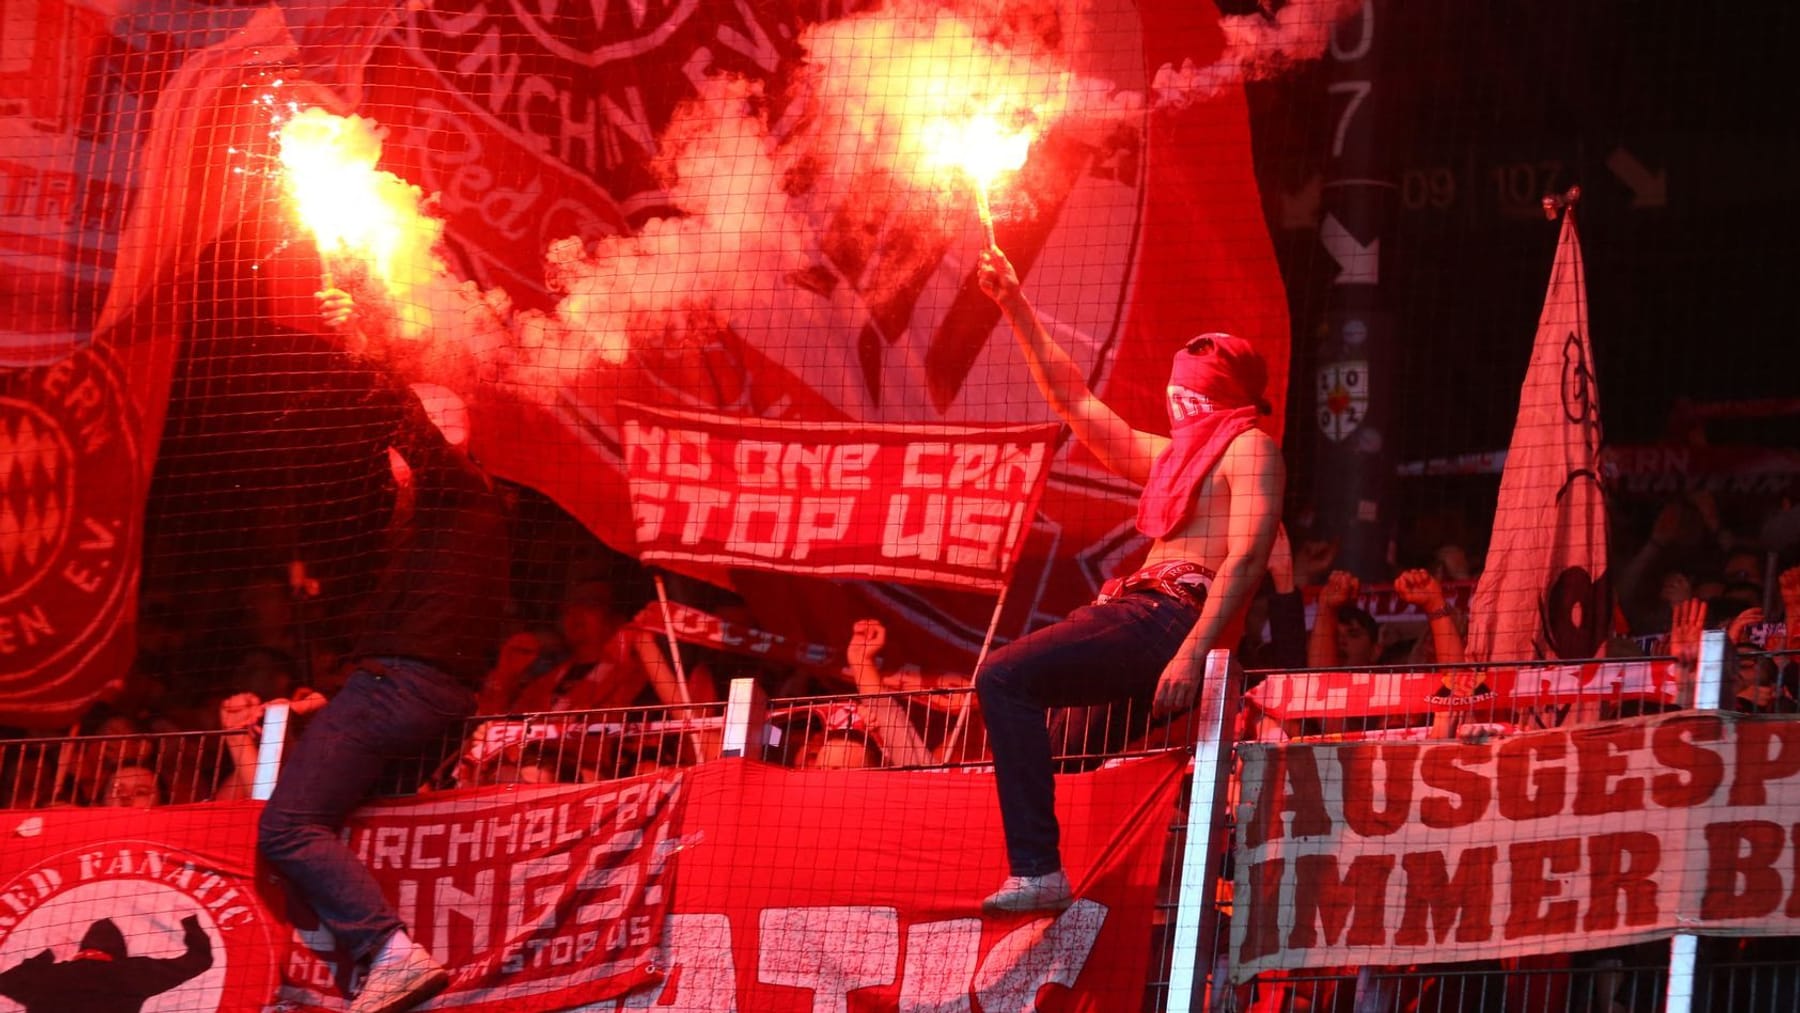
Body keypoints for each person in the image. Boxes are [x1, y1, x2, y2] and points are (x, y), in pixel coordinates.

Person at [971, 247, 1283, 913]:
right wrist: (1014, 306)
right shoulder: (1174, 457)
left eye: (1188, 388)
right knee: (1056, 754)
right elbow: (1074, 401)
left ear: (1217, 391)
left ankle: (1038, 871)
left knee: (1002, 676)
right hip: (1150, 619)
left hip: (1171, 617)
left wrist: (1193, 650)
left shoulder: (1251, 447)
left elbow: (1248, 555)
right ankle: (1064, 887)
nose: (1175, 400)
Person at [256, 289, 511, 1013]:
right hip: (405, 692)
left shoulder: (458, 493)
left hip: (397, 691)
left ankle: (388, 952)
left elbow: (409, 416)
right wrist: (331, 699)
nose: (390, 465)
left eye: (400, 451)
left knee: (287, 824)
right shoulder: (454, 524)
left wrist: (365, 325)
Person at [0, 916, 212, 1013]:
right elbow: (199, 960)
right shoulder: (132, 974)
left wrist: (48, 955)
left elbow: (5, 981)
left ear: (82, 948)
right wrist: (190, 922)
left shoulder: (46, 977)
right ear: (119, 951)